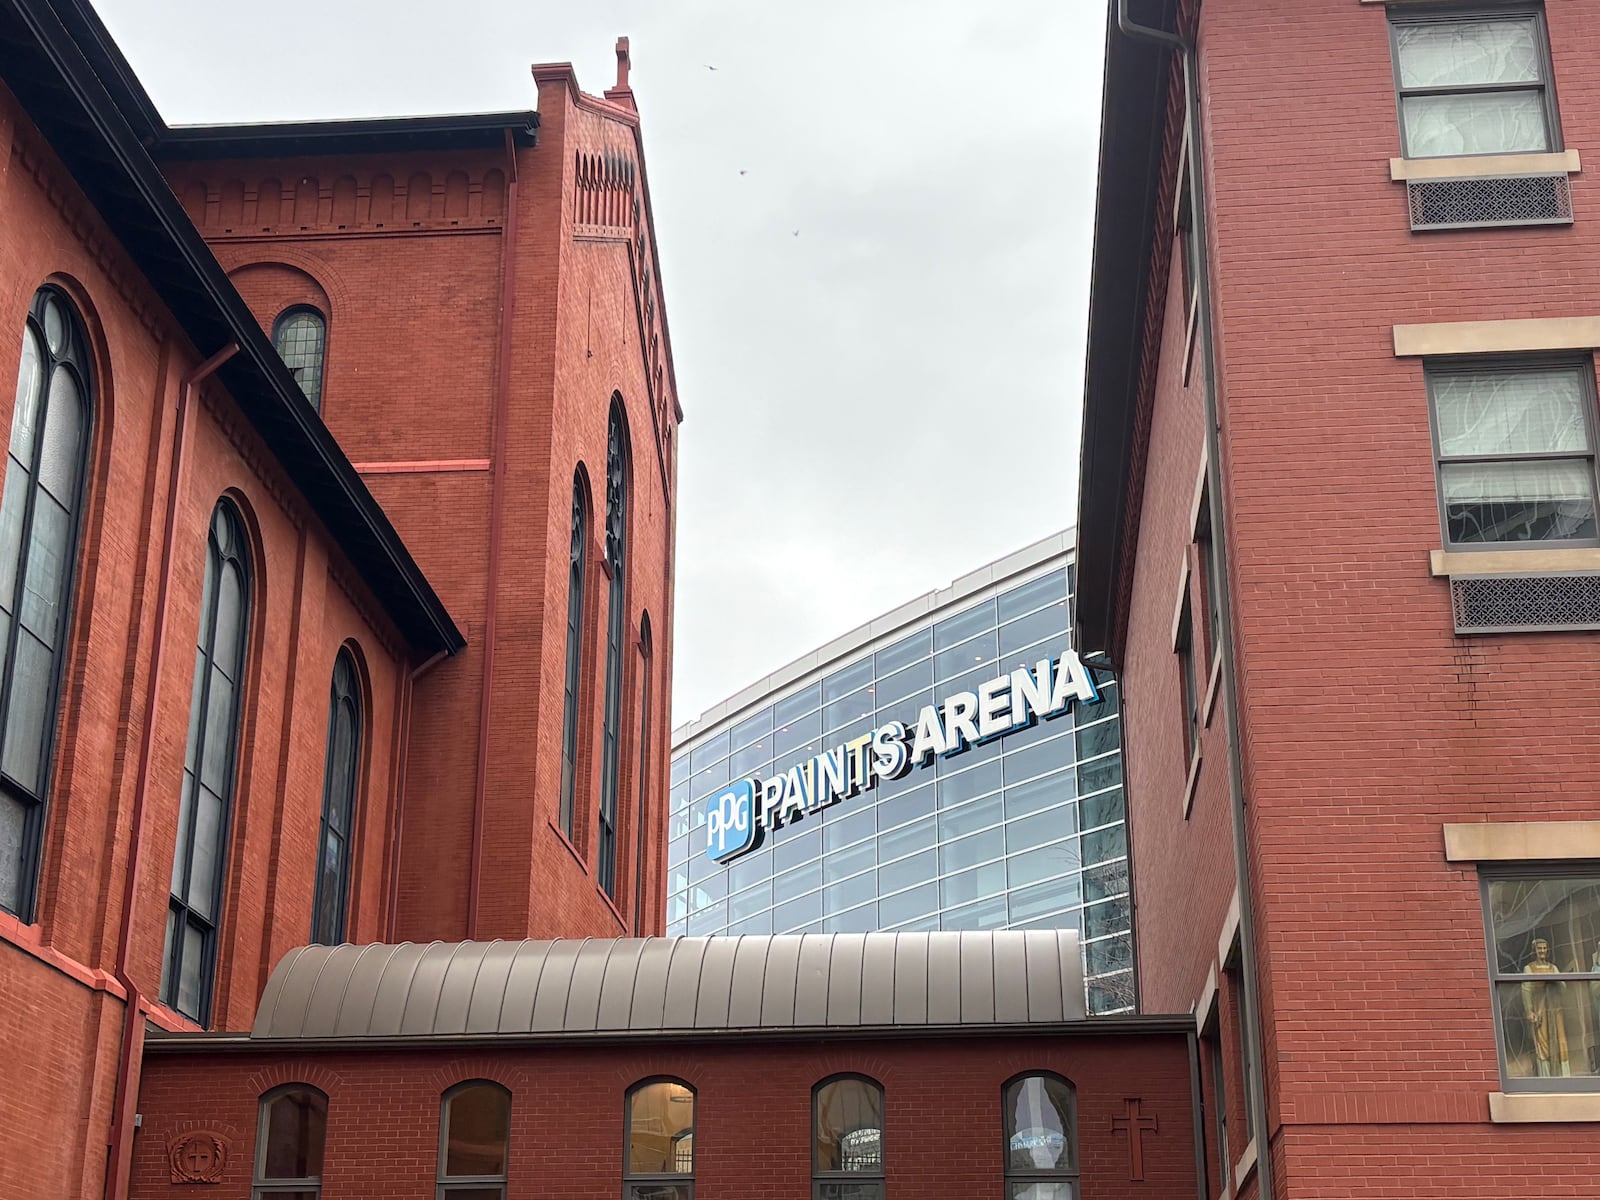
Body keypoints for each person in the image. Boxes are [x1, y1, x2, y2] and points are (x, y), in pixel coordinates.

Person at [1522, 937, 1570, 1077]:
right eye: (1539, 948)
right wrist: (1529, 1010)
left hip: (1555, 1010)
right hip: (1540, 1009)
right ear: (1534, 951)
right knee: (1542, 1043)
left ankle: (1563, 1075)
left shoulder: (1553, 968)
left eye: (1544, 948)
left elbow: (1564, 987)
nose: (1542, 951)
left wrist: (1558, 982)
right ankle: (1546, 1076)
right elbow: (1526, 990)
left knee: (1560, 1041)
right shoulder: (1529, 968)